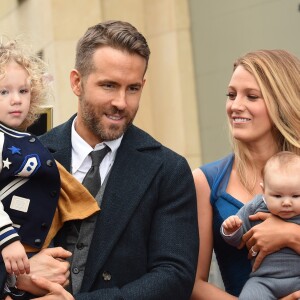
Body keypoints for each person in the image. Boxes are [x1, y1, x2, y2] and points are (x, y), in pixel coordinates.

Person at [1, 20, 199, 299]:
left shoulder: (169, 170)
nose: (121, 102)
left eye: (133, 88)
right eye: (109, 85)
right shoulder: (26, 157)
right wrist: (15, 276)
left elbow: (174, 278)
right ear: (77, 82)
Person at [191, 49, 300, 300]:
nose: (235, 106)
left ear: (282, 102)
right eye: (231, 95)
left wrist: (290, 235)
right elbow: (192, 283)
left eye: (251, 96)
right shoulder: (206, 181)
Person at [0, 37, 101, 299]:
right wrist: (7, 240)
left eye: (23, 91)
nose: (16, 100)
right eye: (4, 92)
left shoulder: (24, 137)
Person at [221, 151, 300, 299]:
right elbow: (238, 240)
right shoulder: (255, 207)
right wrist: (231, 229)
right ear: (264, 191)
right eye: (277, 196)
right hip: (264, 280)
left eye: (296, 196)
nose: (287, 202)